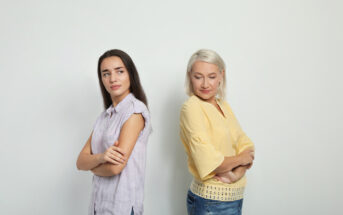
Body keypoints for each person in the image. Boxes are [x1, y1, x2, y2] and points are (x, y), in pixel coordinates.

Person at [179, 49, 255, 215]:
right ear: (190, 76)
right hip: (210, 202)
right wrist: (241, 159)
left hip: (235, 198)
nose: (205, 84)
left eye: (212, 77)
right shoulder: (192, 107)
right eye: (198, 77)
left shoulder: (223, 105)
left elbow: (247, 146)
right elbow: (207, 161)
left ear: (221, 75)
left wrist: (236, 175)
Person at [76, 49, 151, 215]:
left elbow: (115, 168)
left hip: (121, 207)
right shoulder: (104, 116)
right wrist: (101, 158)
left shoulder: (135, 112)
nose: (113, 79)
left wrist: (93, 168)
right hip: (98, 206)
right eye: (106, 74)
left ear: (130, 74)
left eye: (120, 71)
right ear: (102, 79)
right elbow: (80, 162)